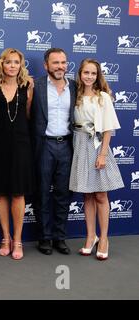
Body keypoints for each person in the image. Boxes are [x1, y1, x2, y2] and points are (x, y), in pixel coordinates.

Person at [70, 58, 124, 260]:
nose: (89, 77)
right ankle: (90, 236)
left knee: (101, 195)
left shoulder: (103, 97)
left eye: (93, 73)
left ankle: (104, 239)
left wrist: (102, 154)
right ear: (80, 74)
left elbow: (108, 127)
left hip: (97, 146)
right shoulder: (75, 95)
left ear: (98, 75)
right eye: (86, 73)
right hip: (79, 144)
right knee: (87, 195)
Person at [0, 48, 34, 260]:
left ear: (20, 65)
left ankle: (18, 239)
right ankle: (5, 237)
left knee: (18, 193)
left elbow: (29, 115)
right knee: (1, 192)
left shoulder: (27, 87)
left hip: (21, 145)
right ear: (1, 64)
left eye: (16, 62)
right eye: (8, 62)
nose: (12, 66)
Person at [31, 48, 76, 255]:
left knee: (63, 194)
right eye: (55, 62)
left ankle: (60, 237)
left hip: (67, 145)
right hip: (44, 145)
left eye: (63, 62)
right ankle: (45, 238)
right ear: (46, 65)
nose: (60, 66)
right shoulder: (36, 86)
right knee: (42, 193)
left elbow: (96, 93)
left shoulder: (75, 87)